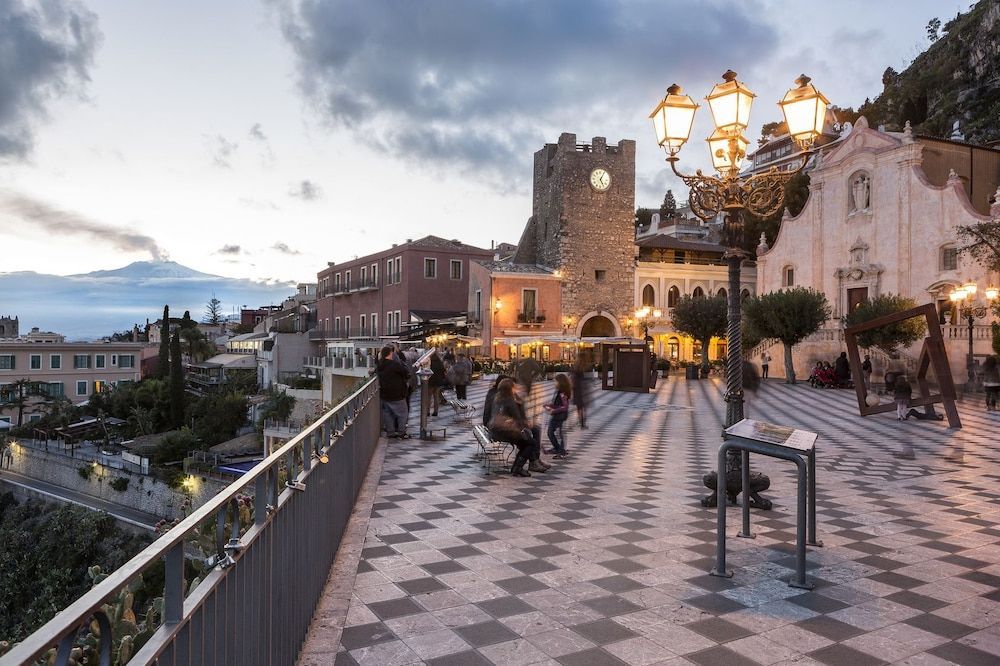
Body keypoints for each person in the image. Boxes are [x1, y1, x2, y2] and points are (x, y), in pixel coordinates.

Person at [489, 378, 549, 476]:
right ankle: (519, 467)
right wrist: (521, 405)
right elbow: (519, 419)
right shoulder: (510, 401)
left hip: (496, 431)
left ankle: (529, 463)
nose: (516, 389)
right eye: (514, 387)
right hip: (506, 431)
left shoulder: (497, 398)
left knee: (527, 439)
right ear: (510, 389)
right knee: (531, 442)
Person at [377, 345, 411, 438]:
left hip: (385, 394)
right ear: (390, 353)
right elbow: (406, 373)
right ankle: (401, 432)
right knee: (403, 413)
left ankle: (390, 432)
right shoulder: (395, 364)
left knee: (388, 414)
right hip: (397, 393)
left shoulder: (380, 365)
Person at [544, 373, 571, 458]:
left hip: (560, 416)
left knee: (558, 434)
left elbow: (565, 407)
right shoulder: (559, 391)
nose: (554, 383)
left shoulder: (562, 393)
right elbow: (558, 404)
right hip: (556, 415)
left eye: (555, 381)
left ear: (560, 382)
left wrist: (554, 410)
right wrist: (550, 405)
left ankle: (561, 452)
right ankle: (557, 448)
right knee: (551, 432)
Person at [571, 355, 589, 429]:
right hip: (582, 389)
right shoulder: (584, 367)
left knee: (579, 407)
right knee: (583, 408)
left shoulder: (575, 367)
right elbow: (586, 378)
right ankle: (583, 423)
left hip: (576, 389)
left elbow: (572, 377)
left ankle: (581, 422)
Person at [427, 351, 447, 416]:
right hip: (438, 382)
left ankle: (428, 411)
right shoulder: (440, 363)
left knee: (429, 397)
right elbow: (443, 371)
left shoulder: (430, 363)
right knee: (436, 397)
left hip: (431, 382)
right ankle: (435, 411)